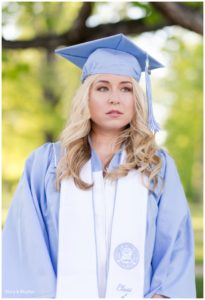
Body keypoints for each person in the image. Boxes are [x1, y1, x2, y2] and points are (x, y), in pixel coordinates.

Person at [2, 33, 196, 298]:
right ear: (86, 96)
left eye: (125, 88)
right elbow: (26, 243)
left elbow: (175, 248)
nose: (115, 98)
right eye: (103, 88)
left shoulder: (157, 166)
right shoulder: (46, 163)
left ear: (136, 99)